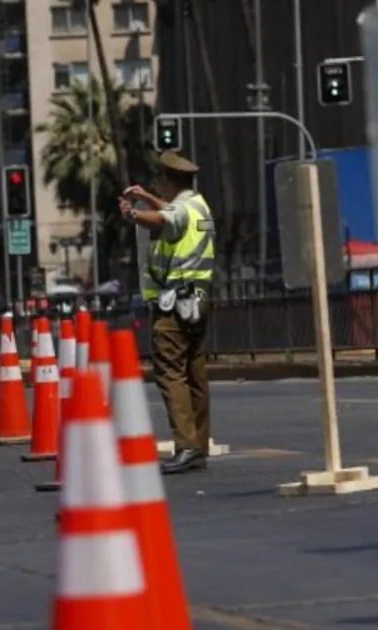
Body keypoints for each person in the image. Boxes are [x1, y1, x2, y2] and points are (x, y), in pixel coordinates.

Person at [120, 150, 216, 475]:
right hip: (199, 300)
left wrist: (134, 214)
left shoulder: (181, 211)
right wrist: (147, 197)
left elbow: (164, 219)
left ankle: (187, 447)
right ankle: (199, 445)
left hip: (177, 303)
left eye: (160, 182)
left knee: (171, 371)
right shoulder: (199, 206)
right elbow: (171, 212)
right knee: (195, 373)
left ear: (169, 180)